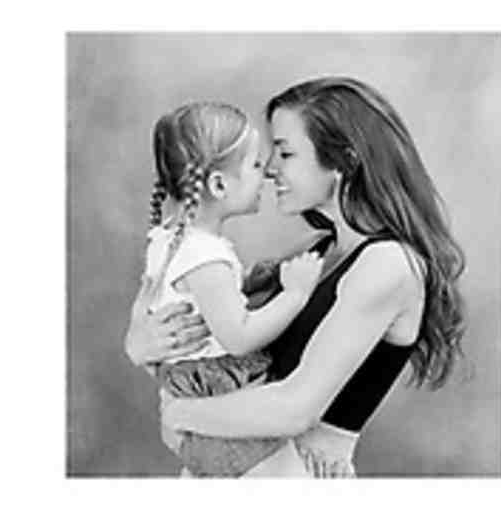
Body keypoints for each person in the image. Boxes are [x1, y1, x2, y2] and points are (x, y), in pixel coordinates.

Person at [125, 77, 466, 477]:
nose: (270, 169)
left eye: (285, 153)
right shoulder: (316, 250)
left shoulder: (388, 264)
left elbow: (294, 409)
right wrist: (140, 345)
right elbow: (219, 340)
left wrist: (180, 413)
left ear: (344, 162)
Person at [138, 101, 323, 477]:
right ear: (219, 185)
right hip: (217, 395)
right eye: (255, 165)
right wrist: (296, 295)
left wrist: (247, 283)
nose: (267, 173)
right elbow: (239, 338)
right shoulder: (206, 258)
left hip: (189, 390)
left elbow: (201, 304)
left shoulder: (170, 239)